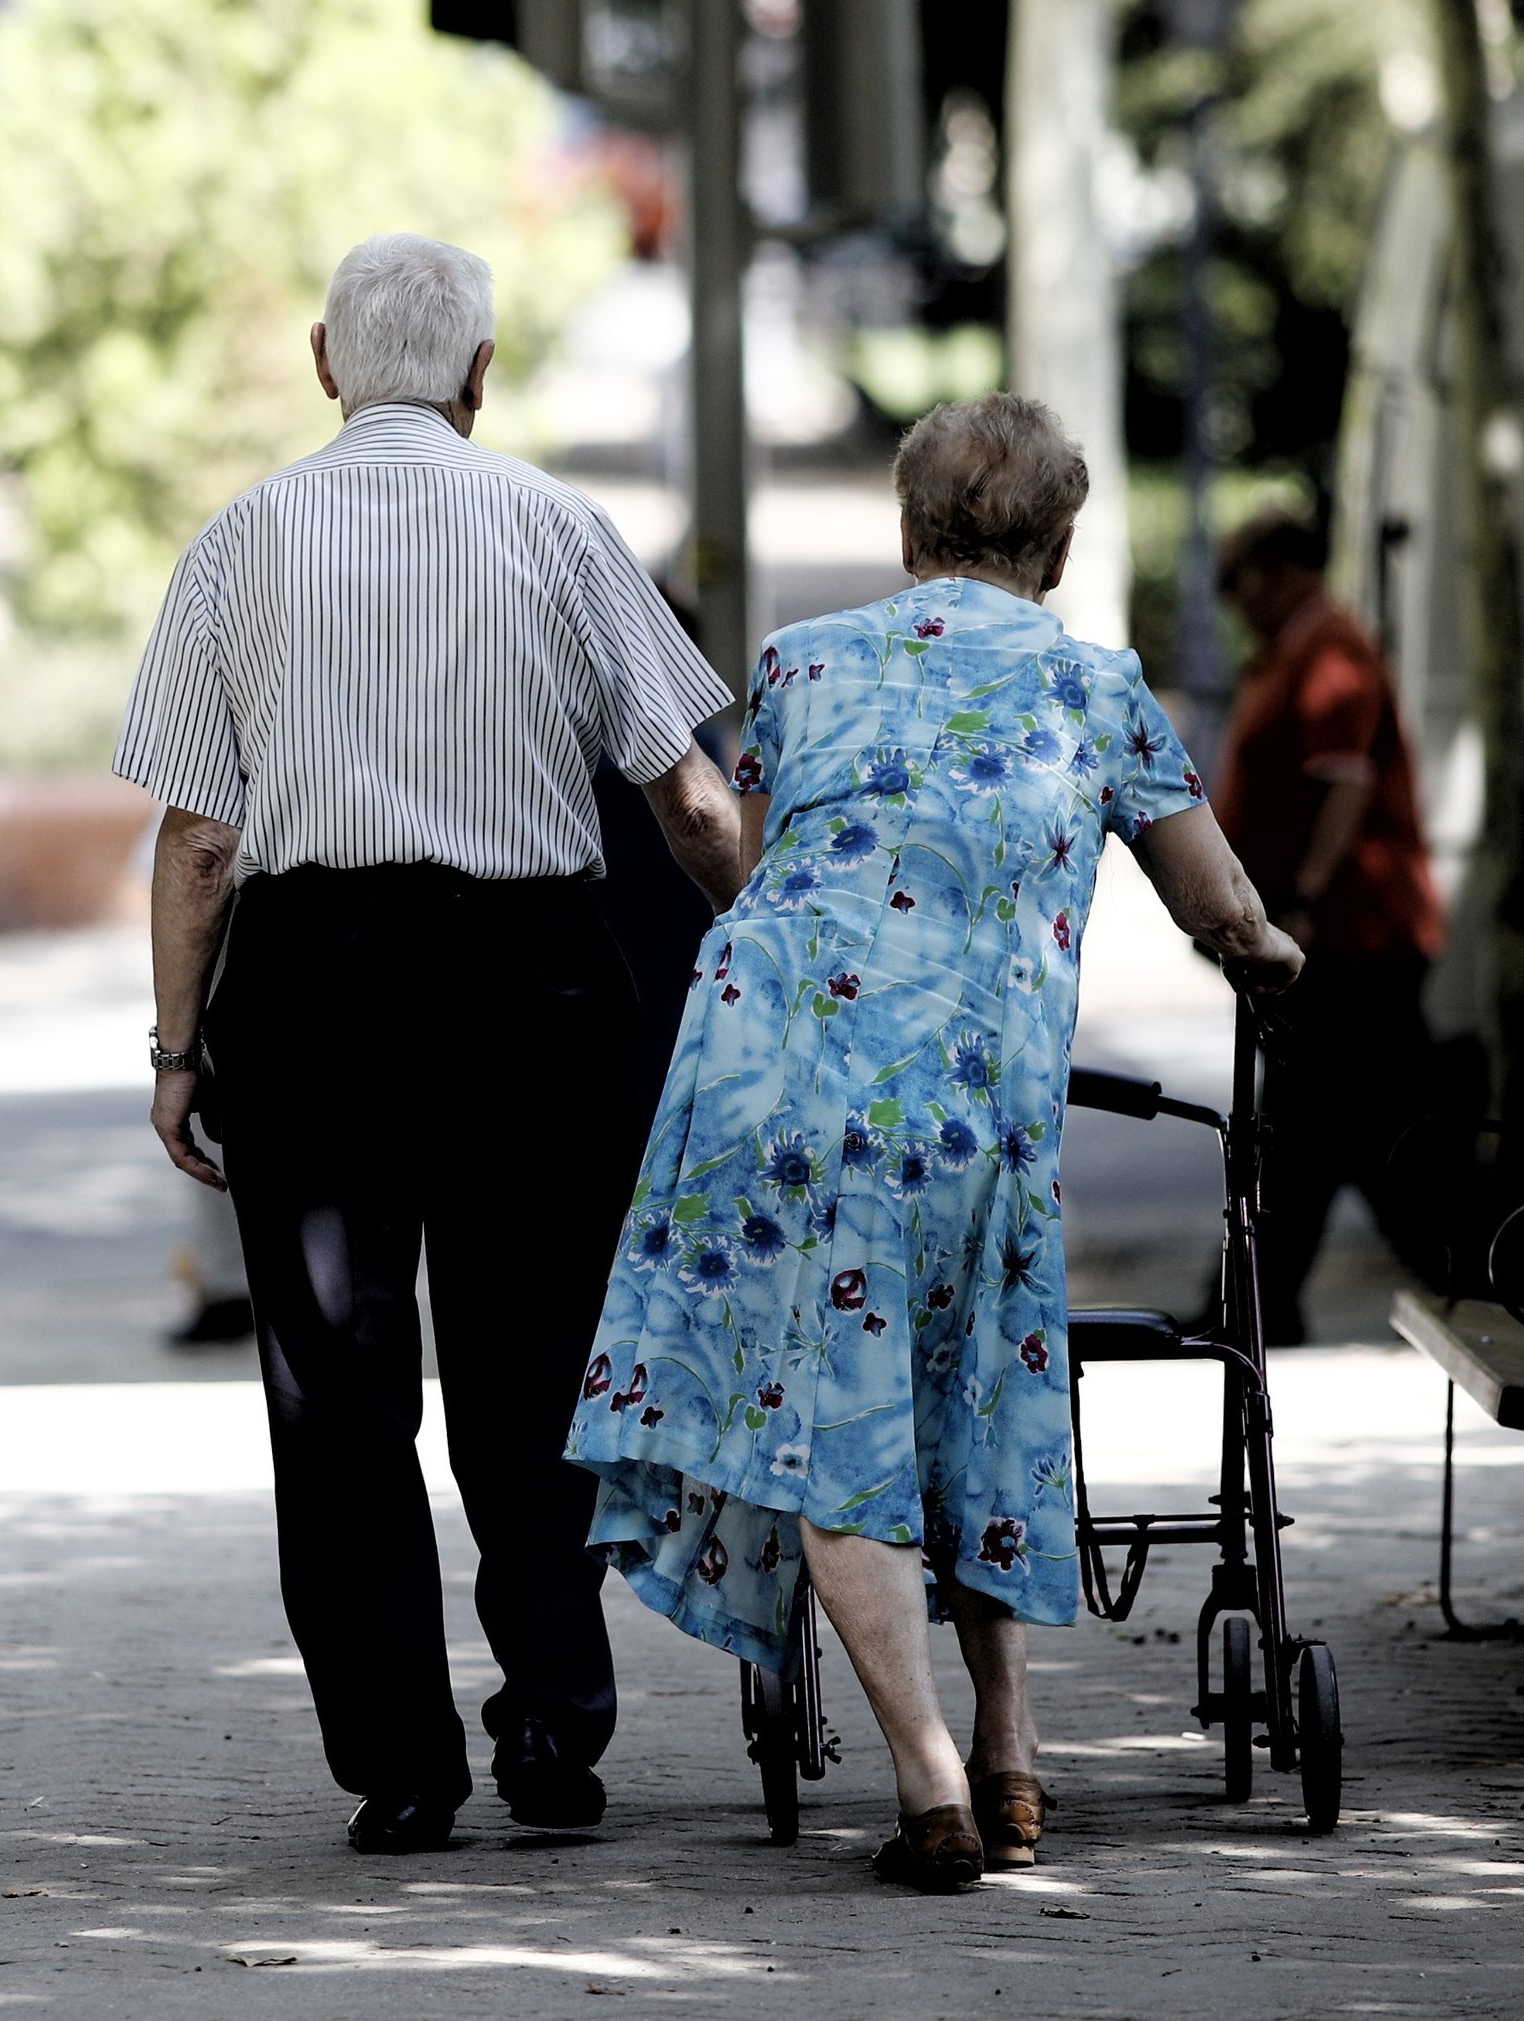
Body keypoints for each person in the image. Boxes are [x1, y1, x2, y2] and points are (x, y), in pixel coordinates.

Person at [566, 393, 1303, 1891]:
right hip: (973, 1113)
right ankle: (994, 1751)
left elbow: (776, 862)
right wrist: (1269, 953)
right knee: (984, 1397)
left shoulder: (800, 664)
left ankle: (941, 1776)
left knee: (836, 1417)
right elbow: (1216, 904)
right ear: (1064, 543)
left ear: (909, 537)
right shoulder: (1101, 690)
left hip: (774, 1090)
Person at [113, 234, 738, 1855]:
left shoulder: (242, 542)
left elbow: (196, 841)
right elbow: (688, 797)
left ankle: (401, 1761)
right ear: (481, 373)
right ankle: (552, 1718)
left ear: (327, 363)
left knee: (337, 1387)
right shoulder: (559, 528)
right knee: (533, 1370)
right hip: (534, 984)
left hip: (317, 993)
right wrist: (764, 951)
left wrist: (179, 1046)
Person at [1214, 510, 1444, 1343]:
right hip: (1329, 941)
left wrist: (1303, 894)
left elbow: (1344, 782)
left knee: (1357, 1129)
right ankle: (1257, 1297)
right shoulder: (1298, 652)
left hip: (1354, 938)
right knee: (1325, 1125)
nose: (1231, 602)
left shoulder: (1331, 654)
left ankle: (1261, 1298)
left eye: (1233, 579)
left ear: (1281, 571)